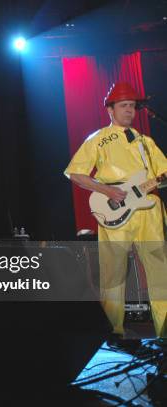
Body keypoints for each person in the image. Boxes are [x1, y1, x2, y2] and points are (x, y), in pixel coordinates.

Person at [65, 82, 167, 338]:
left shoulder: (146, 142)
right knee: (112, 273)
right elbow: (76, 174)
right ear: (110, 109)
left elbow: (161, 176)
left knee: (160, 270)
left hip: (149, 209)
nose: (130, 111)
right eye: (124, 106)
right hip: (115, 210)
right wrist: (108, 191)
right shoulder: (97, 139)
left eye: (132, 106)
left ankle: (164, 333)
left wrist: (160, 179)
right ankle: (114, 332)